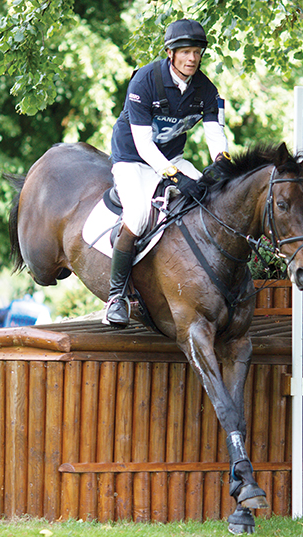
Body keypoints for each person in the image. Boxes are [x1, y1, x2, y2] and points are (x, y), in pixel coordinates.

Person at [104, 18, 229, 327]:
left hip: (172, 155)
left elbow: (216, 136)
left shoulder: (206, 89)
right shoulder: (144, 82)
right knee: (137, 215)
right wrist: (177, 177)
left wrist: (222, 164)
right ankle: (116, 297)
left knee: (209, 199)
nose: (192, 58)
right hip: (132, 157)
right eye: (185, 52)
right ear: (170, 53)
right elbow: (144, 145)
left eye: (197, 52)